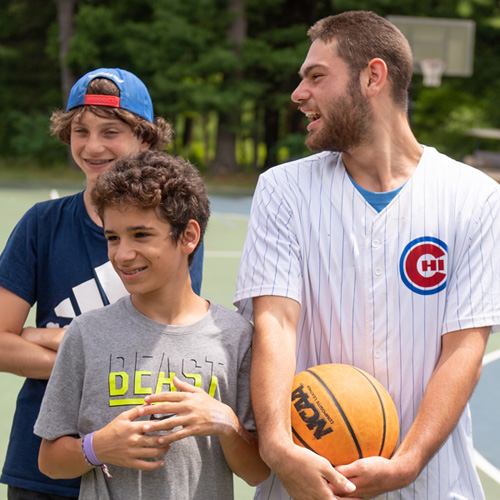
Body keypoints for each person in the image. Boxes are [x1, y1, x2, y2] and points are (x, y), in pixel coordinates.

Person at [234, 10, 500, 500]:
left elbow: (465, 348)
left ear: (372, 77)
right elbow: (276, 324)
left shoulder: (474, 197)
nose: (298, 94)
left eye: (316, 76)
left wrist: (409, 462)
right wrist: (276, 447)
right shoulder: (282, 190)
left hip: (435, 484)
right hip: (305, 479)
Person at [0, 68, 204, 499]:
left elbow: (160, 340)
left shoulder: (172, 229)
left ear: (144, 139)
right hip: (43, 464)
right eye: (80, 131)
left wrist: (47, 339)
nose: (93, 147)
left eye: (110, 131)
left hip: (138, 465)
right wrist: (89, 361)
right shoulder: (42, 224)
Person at [34, 150, 269, 500]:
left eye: (140, 235)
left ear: (188, 236)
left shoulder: (236, 337)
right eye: (113, 238)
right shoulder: (87, 333)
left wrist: (225, 422)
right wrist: (98, 447)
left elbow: (257, 471)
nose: (121, 254)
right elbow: (50, 462)